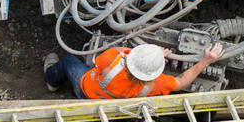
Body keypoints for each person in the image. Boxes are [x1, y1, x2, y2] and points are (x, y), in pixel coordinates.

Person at [44, 42, 225, 99]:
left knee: (68, 61)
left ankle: (51, 81)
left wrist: (151, 54)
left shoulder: (111, 59)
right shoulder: (156, 84)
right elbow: (182, 81)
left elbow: (119, 51)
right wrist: (205, 61)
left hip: (85, 89)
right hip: (107, 102)